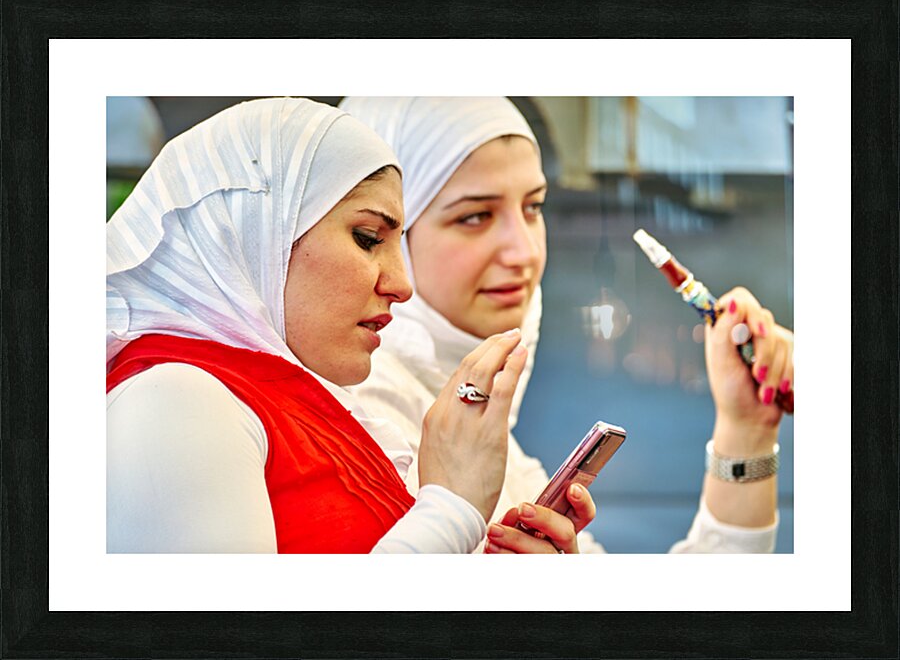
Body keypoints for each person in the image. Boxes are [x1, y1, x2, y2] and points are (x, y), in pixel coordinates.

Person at [341, 96, 793, 554]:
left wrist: (747, 429)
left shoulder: (486, 442)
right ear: (387, 235)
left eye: (533, 208)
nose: (524, 252)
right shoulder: (359, 434)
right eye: (475, 216)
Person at [105, 97, 557, 553]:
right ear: (259, 233)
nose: (402, 285)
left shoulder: (304, 405)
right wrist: (453, 507)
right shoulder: (172, 399)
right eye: (367, 239)